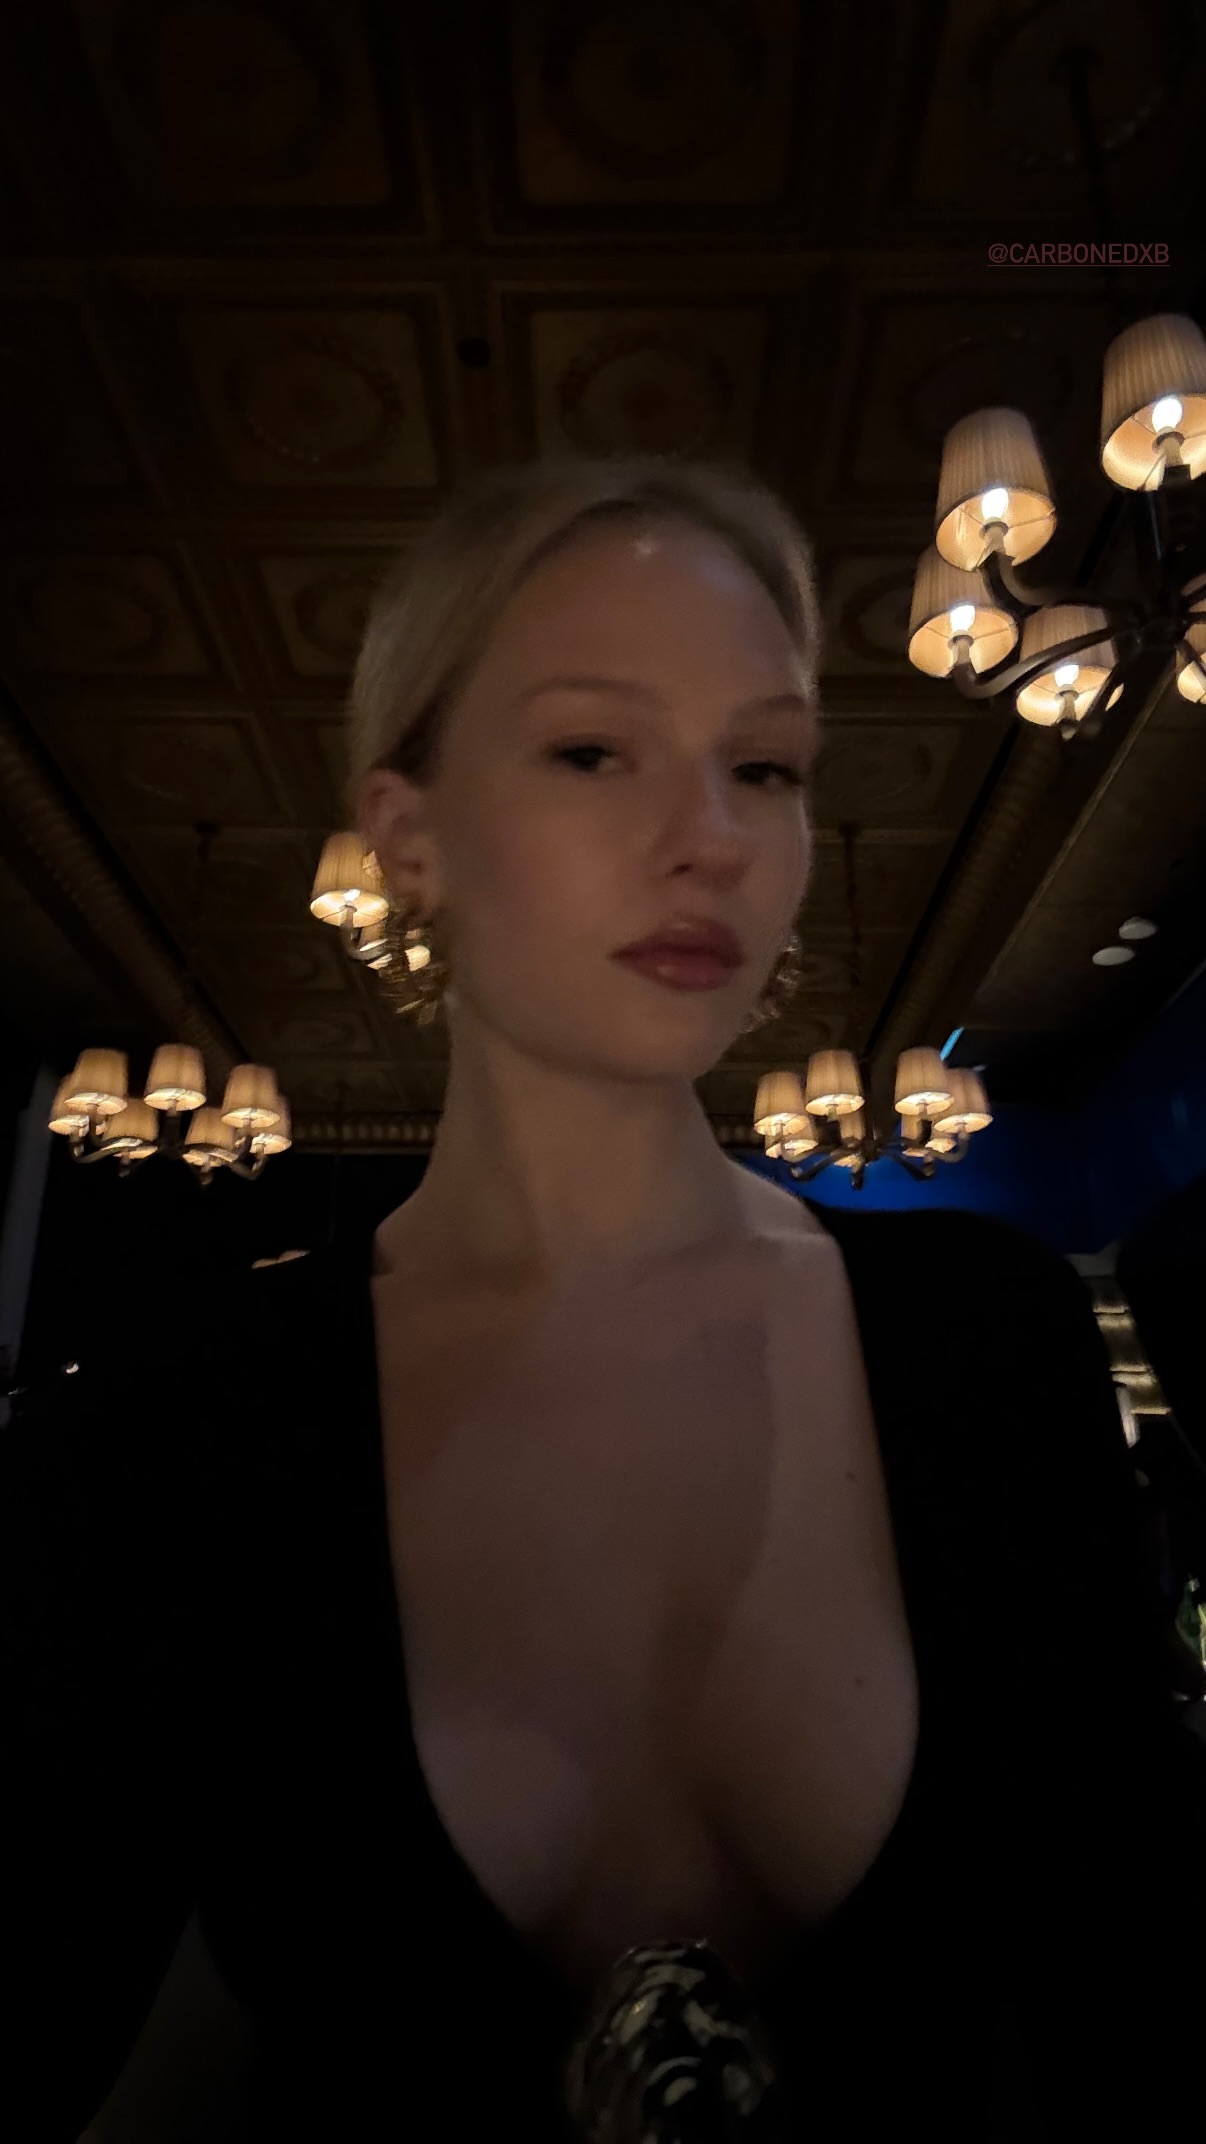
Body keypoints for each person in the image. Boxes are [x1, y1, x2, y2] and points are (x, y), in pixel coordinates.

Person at [7, 453, 1206, 2143]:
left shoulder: (984, 1335)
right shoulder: (184, 1419)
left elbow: (1136, 1986)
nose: (711, 838)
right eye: (590, 750)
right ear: (407, 834)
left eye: (764, 766)